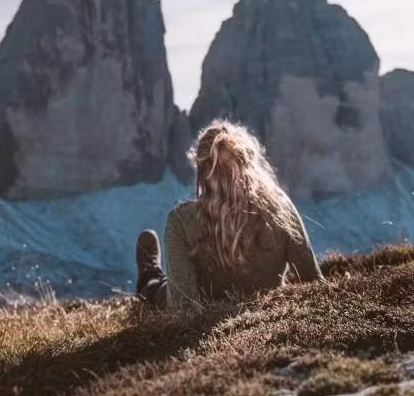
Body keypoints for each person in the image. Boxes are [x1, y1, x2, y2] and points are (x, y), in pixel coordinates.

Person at [135, 120, 323, 309]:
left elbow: (182, 308)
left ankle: (149, 276)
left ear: (201, 171)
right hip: (263, 311)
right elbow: (313, 281)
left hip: (203, 322)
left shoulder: (181, 221)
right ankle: (151, 275)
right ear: (248, 165)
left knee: (160, 289)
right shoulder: (280, 206)